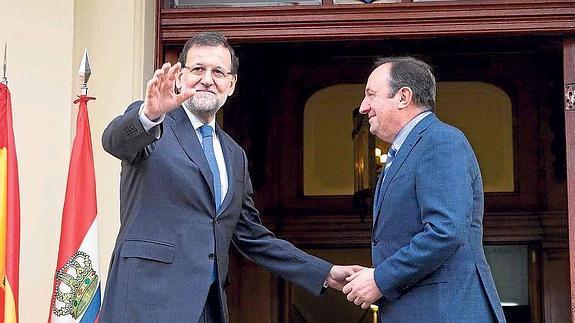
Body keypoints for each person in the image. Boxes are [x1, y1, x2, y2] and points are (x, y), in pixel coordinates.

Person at [99, 32, 361, 323]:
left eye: (218, 72)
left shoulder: (234, 154)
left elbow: (251, 235)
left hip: (207, 308)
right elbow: (115, 142)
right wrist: (149, 114)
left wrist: (324, 272)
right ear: (180, 76)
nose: (207, 79)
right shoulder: (152, 123)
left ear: (232, 84)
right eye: (198, 69)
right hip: (144, 303)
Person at [342, 57, 507, 323]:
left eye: (371, 95)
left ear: (403, 97)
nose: (363, 107)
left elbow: (446, 230)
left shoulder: (440, 141)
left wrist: (380, 279)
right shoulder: (405, 152)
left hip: (446, 312)